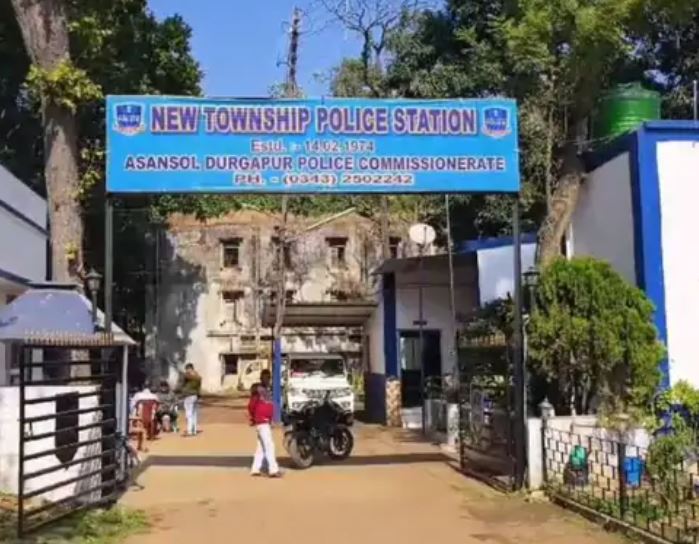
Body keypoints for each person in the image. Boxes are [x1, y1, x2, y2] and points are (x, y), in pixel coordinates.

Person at [248, 369, 281, 478]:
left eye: (268, 378)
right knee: (269, 445)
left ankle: (255, 469)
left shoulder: (268, 391)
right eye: (265, 378)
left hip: (265, 422)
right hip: (262, 422)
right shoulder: (257, 391)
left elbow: (270, 406)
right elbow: (251, 406)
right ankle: (273, 469)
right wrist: (253, 417)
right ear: (261, 378)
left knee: (261, 447)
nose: (267, 380)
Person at [179, 363, 201, 437]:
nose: (186, 371)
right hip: (195, 396)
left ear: (189, 368)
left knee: (189, 414)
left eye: (187, 369)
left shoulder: (188, 375)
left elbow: (182, 381)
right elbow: (199, 387)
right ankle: (194, 430)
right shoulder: (198, 376)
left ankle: (190, 431)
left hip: (189, 396)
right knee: (194, 414)